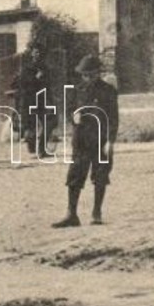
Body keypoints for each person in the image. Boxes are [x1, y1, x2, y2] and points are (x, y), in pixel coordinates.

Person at [53, 54, 119, 228]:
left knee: (101, 175)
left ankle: (96, 212)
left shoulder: (108, 91)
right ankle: (71, 214)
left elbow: (113, 118)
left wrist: (110, 141)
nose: (87, 78)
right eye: (84, 74)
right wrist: (73, 117)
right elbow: (68, 111)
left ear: (98, 73)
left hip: (101, 139)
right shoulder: (76, 90)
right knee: (75, 174)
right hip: (81, 139)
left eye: (91, 74)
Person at [17, 45, 55, 157]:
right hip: (30, 100)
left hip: (43, 100)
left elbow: (48, 85)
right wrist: (36, 78)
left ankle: (41, 149)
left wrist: (50, 100)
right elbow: (23, 85)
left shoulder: (45, 68)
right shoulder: (27, 68)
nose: (38, 54)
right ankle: (34, 149)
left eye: (40, 52)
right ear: (32, 54)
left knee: (51, 122)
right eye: (36, 52)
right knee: (31, 125)